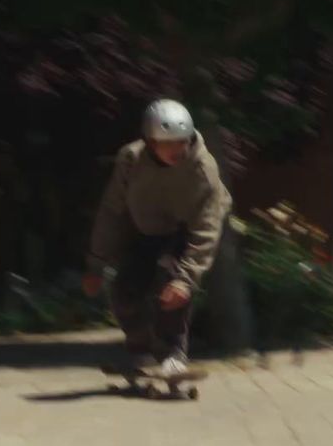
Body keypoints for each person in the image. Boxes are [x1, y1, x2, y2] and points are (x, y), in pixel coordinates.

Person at [84, 99, 232, 377]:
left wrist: (186, 279)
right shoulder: (131, 159)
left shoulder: (203, 169)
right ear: (150, 142)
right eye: (169, 144)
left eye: (182, 142)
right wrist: (96, 263)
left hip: (187, 231)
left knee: (171, 284)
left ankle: (173, 353)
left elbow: (207, 228)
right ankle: (140, 350)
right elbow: (112, 211)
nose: (178, 150)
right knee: (124, 288)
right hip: (147, 228)